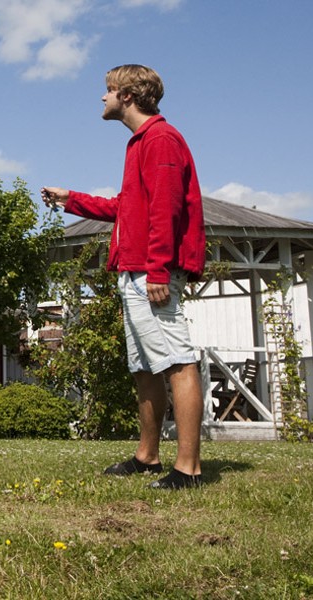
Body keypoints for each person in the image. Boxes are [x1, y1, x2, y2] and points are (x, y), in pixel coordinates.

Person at [42, 64, 206, 489]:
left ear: (127, 95)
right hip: (133, 271)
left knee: (178, 362)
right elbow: (127, 208)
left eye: (108, 90)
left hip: (151, 273)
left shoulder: (161, 140)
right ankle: (147, 456)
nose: (103, 98)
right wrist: (71, 199)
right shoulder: (140, 144)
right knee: (145, 368)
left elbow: (166, 212)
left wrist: (156, 269)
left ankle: (188, 469)